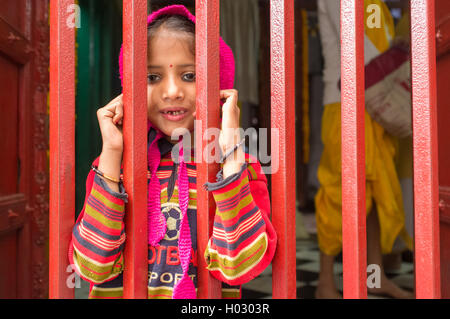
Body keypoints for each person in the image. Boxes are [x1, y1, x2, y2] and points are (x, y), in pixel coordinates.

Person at [68, 5, 277, 299]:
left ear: (220, 87)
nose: (172, 91)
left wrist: (229, 154)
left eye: (189, 76)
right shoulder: (113, 167)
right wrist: (113, 152)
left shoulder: (241, 168)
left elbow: (242, 267)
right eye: (152, 78)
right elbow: (91, 267)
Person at [315, 0, 413, 299]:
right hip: (345, 100)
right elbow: (353, 40)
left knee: (372, 195)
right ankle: (324, 282)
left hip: (375, 101)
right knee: (337, 192)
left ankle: (374, 276)